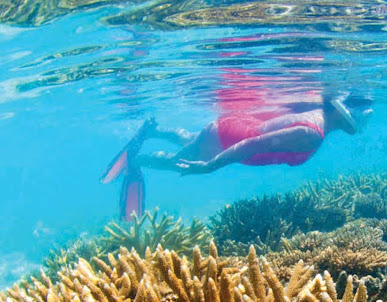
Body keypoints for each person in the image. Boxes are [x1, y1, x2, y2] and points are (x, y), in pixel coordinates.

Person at [100, 92, 373, 221]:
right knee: (180, 161)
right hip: (233, 137)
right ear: (341, 112)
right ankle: (137, 161)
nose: (358, 120)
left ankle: (153, 129)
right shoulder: (313, 133)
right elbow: (253, 144)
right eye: (356, 114)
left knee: (191, 139)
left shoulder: (316, 114)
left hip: (231, 130)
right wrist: (210, 167)